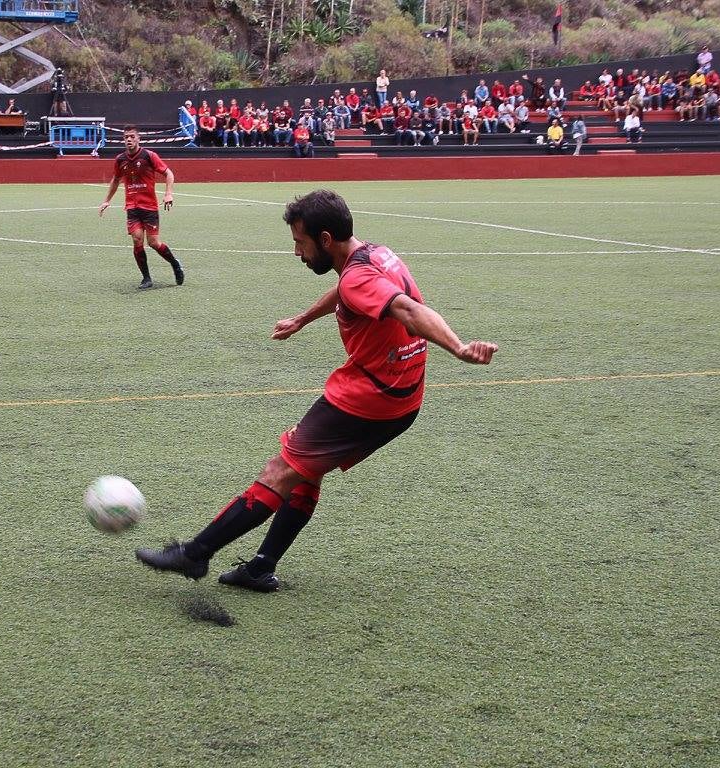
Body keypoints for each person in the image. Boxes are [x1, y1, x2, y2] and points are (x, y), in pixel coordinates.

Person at [134, 189, 497, 591]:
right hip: (403, 397)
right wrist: (304, 319)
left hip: (368, 399)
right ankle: (259, 568)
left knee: (281, 471)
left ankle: (194, 555)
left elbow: (409, 311)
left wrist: (459, 347)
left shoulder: (359, 275)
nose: (297, 253)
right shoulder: (375, 254)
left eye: (300, 243)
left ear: (326, 240)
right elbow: (349, 292)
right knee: (306, 468)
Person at [98, 126, 183, 290]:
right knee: (137, 239)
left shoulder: (149, 156)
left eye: (131, 136)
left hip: (149, 206)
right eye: (125, 137)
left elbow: (169, 173)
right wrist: (107, 200)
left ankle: (175, 263)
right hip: (132, 207)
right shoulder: (120, 159)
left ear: (138, 139)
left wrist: (168, 194)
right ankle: (146, 278)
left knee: (154, 243)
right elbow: (116, 180)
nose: (128, 139)